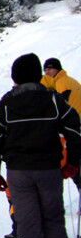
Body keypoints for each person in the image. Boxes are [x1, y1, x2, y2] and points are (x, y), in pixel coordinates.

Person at [0, 53, 80, 238]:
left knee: (27, 220)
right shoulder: (54, 100)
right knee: (53, 218)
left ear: (15, 77)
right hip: (49, 169)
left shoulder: (6, 104)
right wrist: (73, 162)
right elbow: (74, 130)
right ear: (38, 76)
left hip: (19, 172)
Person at [42, 57, 81, 192]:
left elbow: (58, 110)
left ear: (57, 69)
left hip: (74, 129)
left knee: (73, 166)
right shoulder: (71, 81)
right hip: (77, 126)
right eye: (45, 70)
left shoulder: (60, 84)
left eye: (50, 69)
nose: (47, 73)